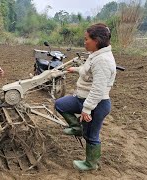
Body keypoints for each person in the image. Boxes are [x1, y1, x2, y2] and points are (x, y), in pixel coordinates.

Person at [55, 23, 116, 171]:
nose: (84, 42)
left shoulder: (102, 60)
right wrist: (75, 69)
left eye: (86, 39)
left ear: (96, 40)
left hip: (97, 104)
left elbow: (98, 89)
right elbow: (87, 71)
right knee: (60, 104)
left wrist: (87, 109)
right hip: (82, 98)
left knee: (91, 135)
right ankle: (77, 127)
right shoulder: (95, 55)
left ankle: (91, 164)